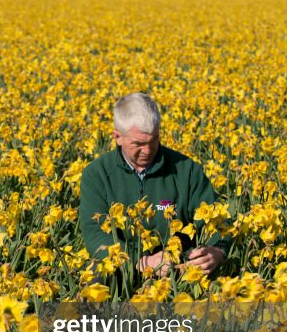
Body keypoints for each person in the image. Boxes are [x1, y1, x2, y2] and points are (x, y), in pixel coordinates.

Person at [79, 92, 230, 285]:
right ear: (117, 137)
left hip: (177, 265)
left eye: (154, 140)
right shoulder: (97, 174)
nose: (148, 151)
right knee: (97, 277)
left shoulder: (186, 169)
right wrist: (140, 261)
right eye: (138, 144)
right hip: (123, 264)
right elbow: (95, 235)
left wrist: (217, 251)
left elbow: (218, 220)